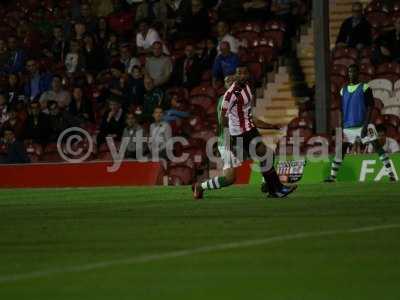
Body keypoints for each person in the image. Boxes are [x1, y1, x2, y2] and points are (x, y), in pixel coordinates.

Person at [193, 65, 297, 199]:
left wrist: (271, 126)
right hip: (237, 136)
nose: (241, 76)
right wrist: (226, 142)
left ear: (248, 74)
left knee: (267, 154)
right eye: (238, 73)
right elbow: (223, 121)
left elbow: (249, 115)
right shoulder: (229, 96)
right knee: (231, 177)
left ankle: (274, 188)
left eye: (244, 73)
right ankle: (273, 188)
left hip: (249, 130)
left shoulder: (247, 88)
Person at [325, 64, 397, 182]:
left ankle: (391, 174)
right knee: (342, 150)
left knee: (377, 147)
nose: (351, 74)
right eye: (349, 72)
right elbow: (342, 109)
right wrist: (341, 124)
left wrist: (365, 125)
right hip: (348, 126)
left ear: (358, 73)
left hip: (364, 125)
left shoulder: (365, 88)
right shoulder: (343, 90)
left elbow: (370, 107)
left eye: (353, 72)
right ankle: (332, 176)